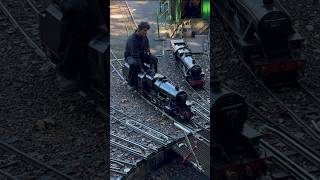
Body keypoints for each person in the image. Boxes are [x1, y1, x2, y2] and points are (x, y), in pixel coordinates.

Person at [124, 22, 158, 88]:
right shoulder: (133, 40)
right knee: (135, 64)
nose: (146, 33)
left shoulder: (144, 37)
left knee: (154, 59)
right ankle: (131, 83)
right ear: (139, 30)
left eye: (146, 31)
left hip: (140, 54)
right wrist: (141, 68)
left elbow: (147, 49)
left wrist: (149, 56)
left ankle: (154, 76)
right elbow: (135, 56)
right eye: (144, 31)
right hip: (130, 56)